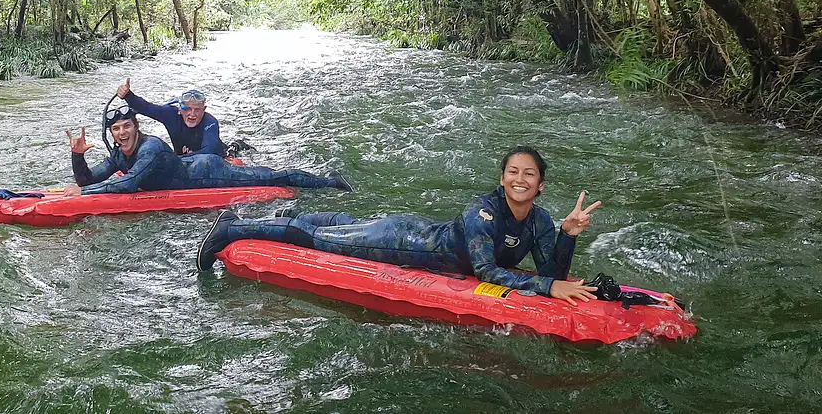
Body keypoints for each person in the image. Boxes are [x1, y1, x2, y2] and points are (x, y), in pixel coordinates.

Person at [196, 146, 600, 305]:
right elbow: (486, 272)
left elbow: (552, 274)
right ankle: (232, 228)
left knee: (345, 228)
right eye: (513, 171)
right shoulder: (484, 212)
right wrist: (549, 287)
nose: (520, 179)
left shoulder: (542, 221)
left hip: (416, 229)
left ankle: (292, 216)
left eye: (529, 174)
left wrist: (566, 237)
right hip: (405, 241)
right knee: (321, 241)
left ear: (540, 185)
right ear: (502, 178)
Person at [62, 106, 352, 195]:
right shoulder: (119, 154)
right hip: (192, 164)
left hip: (206, 172)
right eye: (116, 129)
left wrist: (84, 194)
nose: (122, 133)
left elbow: (128, 183)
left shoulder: (149, 147)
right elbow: (89, 179)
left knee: (273, 176)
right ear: (111, 134)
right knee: (269, 174)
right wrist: (78, 156)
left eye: (127, 126)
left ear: (136, 128)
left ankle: (330, 181)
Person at [116, 79, 224, 157]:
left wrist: (178, 158)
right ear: (180, 109)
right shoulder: (171, 114)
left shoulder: (210, 122)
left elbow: (209, 151)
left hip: (216, 159)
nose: (192, 114)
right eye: (188, 109)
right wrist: (128, 95)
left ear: (204, 109)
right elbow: (146, 108)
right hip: (182, 159)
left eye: (197, 110)